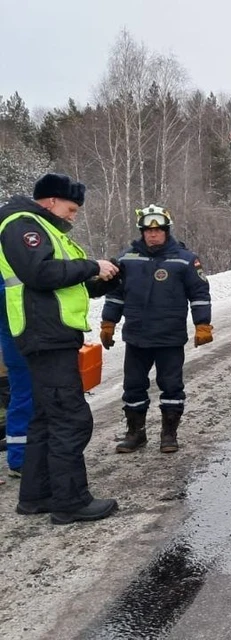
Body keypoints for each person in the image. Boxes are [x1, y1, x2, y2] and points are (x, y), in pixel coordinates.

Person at [0, 172, 121, 524]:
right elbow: (41, 273)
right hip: (45, 335)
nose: (73, 215)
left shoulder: (42, 229)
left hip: (49, 334)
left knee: (45, 416)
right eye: (71, 208)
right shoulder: (24, 225)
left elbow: (63, 284)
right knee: (70, 417)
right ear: (51, 200)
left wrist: (102, 279)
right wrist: (91, 266)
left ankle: (36, 496)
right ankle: (70, 501)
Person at [100, 204, 212, 455]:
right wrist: (109, 322)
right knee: (133, 387)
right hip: (136, 337)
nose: (153, 235)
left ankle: (169, 434)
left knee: (171, 387)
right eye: (148, 231)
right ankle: (135, 433)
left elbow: (200, 293)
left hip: (169, 337)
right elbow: (115, 295)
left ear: (166, 230)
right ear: (141, 232)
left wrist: (202, 324)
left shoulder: (185, 260)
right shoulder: (126, 259)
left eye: (158, 230)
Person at [0, 274, 33, 480]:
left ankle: (26, 455)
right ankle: (19, 459)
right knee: (24, 399)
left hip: (26, 340)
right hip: (18, 343)